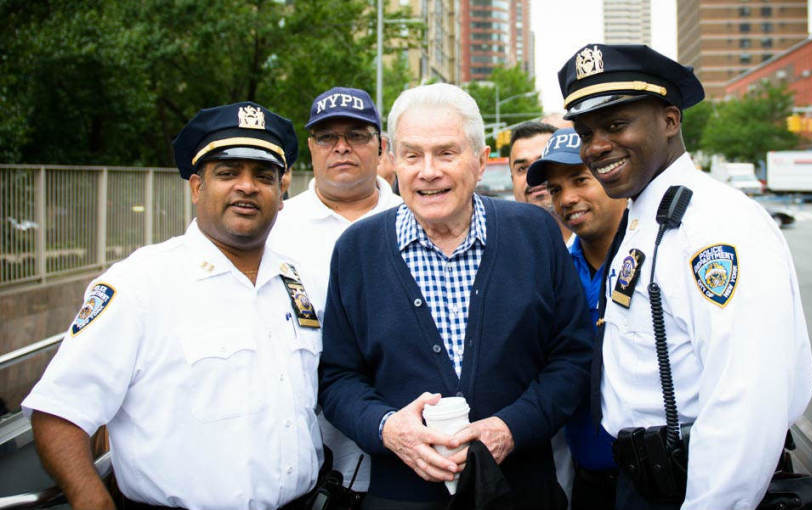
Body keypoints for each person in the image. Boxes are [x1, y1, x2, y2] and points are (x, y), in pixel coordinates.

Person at [22, 103, 323, 510]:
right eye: (228, 173)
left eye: (264, 176)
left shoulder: (293, 281)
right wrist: (91, 499)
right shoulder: (140, 284)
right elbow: (58, 414)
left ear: (281, 195)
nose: (248, 187)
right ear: (196, 187)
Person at [558, 43, 812, 509]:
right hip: (644, 477)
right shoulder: (644, 218)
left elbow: (746, 400)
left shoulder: (716, 225)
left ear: (670, 121)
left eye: (617, 125)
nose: (595, 146)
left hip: (694, 486)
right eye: (586, 131)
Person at [318, 83, 593, 510]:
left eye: (446, 153)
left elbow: (573, 358)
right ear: (391, 161)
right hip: (401, 497)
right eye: (412, 155)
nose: (428, 171)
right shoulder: (357, 250)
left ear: (481, 162)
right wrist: (389, 428)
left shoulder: (535, 235)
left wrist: (510, 428)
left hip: (522, 493)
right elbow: (338, 379)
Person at [267, 86, 402, 500]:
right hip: (306, 459)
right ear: (311, 147)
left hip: (405, 453)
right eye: (327, 137)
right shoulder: (275, 229)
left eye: (357, 136)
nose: (341, 148)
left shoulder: (413, 217)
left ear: (380, 147)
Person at [526, 128, 627, 510]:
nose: (567, 199)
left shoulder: (656, 261)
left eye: (581, 180)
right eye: (555, 189)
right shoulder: (552, 273)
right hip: (589, 482)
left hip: (663, 482)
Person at [508, 121, 571, 242]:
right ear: (512, 180)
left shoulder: (598, 239)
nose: (533, 174)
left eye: (542, 163)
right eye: (522, 168)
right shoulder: (502, 245)